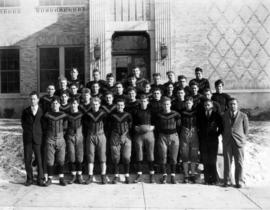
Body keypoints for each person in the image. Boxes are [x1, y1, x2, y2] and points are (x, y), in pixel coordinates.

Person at [222, 98, 249, 188]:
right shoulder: (224, 115)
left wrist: (242, 139)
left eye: (234, 104)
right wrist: (224, 137)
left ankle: (239, 181)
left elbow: (246, 130)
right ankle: (227, 181)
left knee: (239, 163)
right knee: (227, 162)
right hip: (227, 142)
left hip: (239, 142)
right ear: (228, 105)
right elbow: (222, 128)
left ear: (237, 105)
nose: (232, 106)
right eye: (230, 104)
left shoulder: (243, 116)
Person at [21, 91, 45, 186]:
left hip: (38, 138)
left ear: (38, 100)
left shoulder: (42, 111)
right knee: (28, 159)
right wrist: (28, 132)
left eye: (34, 99)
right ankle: (29, 179)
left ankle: (40, 179)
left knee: (39, 159)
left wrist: (39, 133)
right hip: (28, 139)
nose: (32, 100)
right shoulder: (25, 111)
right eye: (31, 99)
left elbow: (44, 124)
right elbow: (23, 123)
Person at [155, 97, 181, 184]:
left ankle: (173, 176)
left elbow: (179, 126)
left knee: (174, 157)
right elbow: (157, 127)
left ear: (170, 104)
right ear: (162, 105)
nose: (166, 106)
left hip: (174, 136)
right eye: (164, 104)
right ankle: (164, 175)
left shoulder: (176, 114)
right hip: (162, 136)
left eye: (168, 104)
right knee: (163, 156)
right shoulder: (159, 115)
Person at [83, 97, 108, 184]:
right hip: (91, 135)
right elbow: (85, 125)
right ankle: (90, 176)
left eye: (96, 104)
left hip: (101, 135)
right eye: (93, 104)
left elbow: (107, 124)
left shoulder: (103, 114)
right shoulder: (88, 114)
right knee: (90, 156)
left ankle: (103, 176)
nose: (95, 106)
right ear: (91, 104)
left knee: (102, 156)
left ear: (99, 104)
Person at [197, 99, 223, 185]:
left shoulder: (216, 115)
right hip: (203, 140)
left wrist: (216, 134)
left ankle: (214, 179)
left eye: (208, 105)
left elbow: (221, 127)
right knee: (205, 159)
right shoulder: (200, 115)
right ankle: (207, 179)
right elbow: (198, 127)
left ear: (211, 105)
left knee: (212, 159)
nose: (206, 106)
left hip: (213, 140)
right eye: (205, 105)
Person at [44, 96, 68, 186]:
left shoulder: (63, 115)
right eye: (53, 103)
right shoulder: (47, 115)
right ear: (51, 105)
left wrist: (61, 136)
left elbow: (65, 127)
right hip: (50, 139)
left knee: (61, 160)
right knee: (50, 160)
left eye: (57, 103)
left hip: (60, 138)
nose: (55, 105)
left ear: (59, 104)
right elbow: (44, 127)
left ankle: (61, 178)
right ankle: (49, 179)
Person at [133, 95, 155, 183]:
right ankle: (139, 174)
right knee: (139, 153)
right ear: (140, 102)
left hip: (149, 134)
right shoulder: (136, 111)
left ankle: (152, 174)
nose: (143, 103)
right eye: (142, 101)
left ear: (147, 102)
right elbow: (133, 122)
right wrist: (136, 128)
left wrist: (152, 128)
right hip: (139, 135)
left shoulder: (151, 111)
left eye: (145, 101)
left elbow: (155, 122)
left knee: (150, 153)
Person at [109, 99, 133, 184]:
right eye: (118, 105)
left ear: (124, 106)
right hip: (115, 137)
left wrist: (125, 134)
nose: (120, 107)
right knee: (116, 158)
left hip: (126, 137)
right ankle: (116, 176)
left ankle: (127, 176)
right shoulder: (112, 115)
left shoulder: (128, 115)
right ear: (116, 106)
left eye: (122, 105)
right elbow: (109, 127)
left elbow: (130, 125)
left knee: (126, 157)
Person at [180, 97, 199, 184]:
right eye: (187, 103)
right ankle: (186, 175)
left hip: (194, 134)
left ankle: (193, 174)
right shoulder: (181, 113)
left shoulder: (196, 112)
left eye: (190, 103)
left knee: (194, 155)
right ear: (184, 104)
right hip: (184, 134)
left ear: (192, 103)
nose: (188, 104)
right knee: (185, 155)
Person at [66, 98, 84, 184]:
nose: (73, 105)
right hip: (70, 136)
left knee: (79, 156)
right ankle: (73, 175)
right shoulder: (68, 115)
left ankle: (79, 175)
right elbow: (65, 127)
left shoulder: (81, 114)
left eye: (75, 103)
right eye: (72, 104)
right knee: (72, 155)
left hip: (79, 136)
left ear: (78, 104)